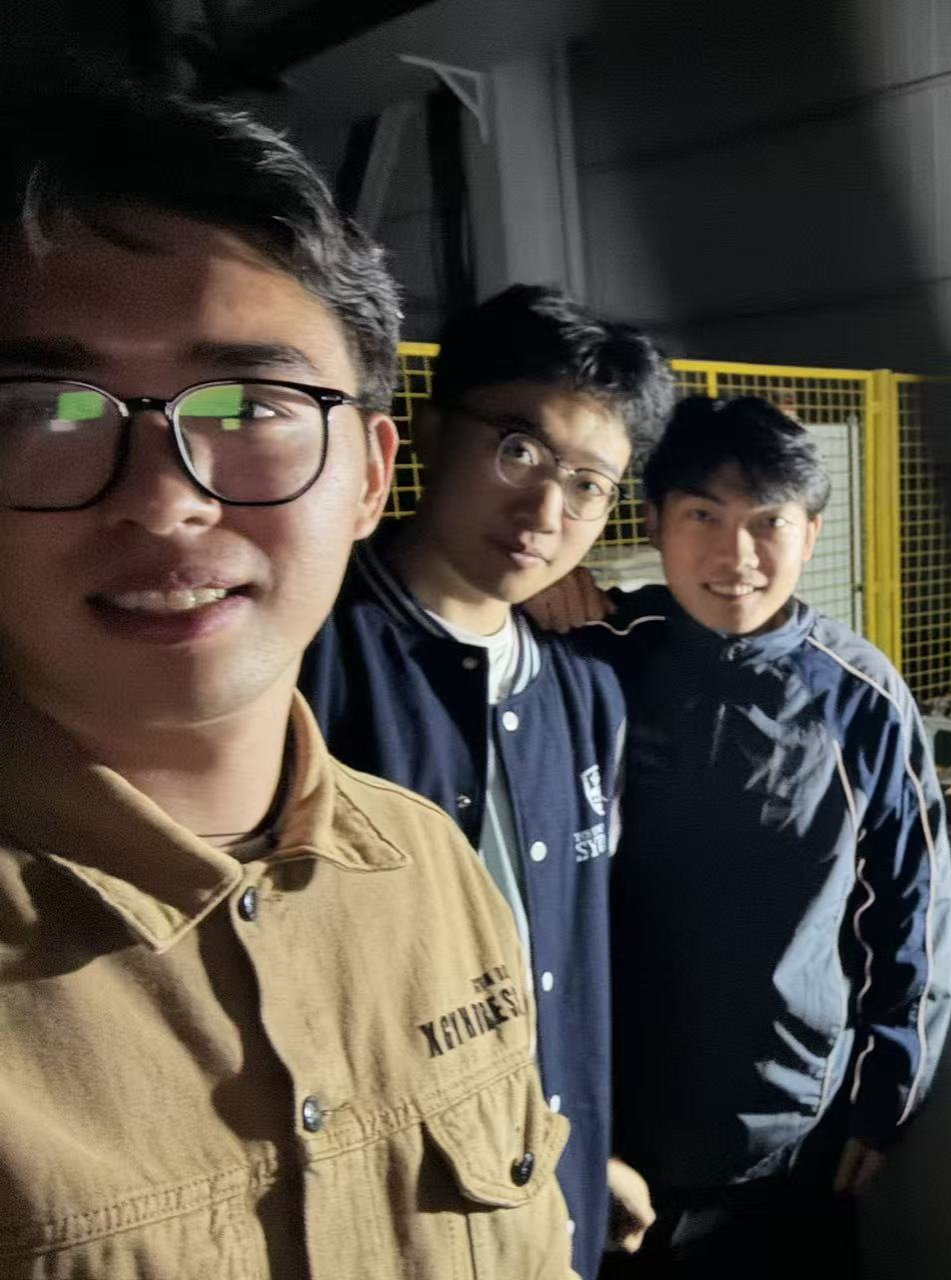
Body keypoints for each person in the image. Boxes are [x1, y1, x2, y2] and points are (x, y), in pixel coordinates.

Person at [0, 82, 577, 1277]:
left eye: (248, 404)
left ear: (368, 475)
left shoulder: (434, 871)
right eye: (50, 408)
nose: (165, 499)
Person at [532, 396, 951, 1278]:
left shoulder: (861, 696)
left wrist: (888, 1096)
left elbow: (911, 907)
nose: (737, 557)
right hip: (610, 1123)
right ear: (653, 522)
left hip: (794, 1125)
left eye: (769, 521)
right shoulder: (590, 656)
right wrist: (521, 591)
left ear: (811, 534)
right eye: (703, 517)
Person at [300, 284, 675, 1276]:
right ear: (426, 433)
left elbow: (565, 959)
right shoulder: (310, 663)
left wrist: (585, 1150)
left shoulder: (585, 692)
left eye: (588, 484)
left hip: (548, 1188)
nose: (546, 511)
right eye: (518, 449)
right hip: (384, 1218)